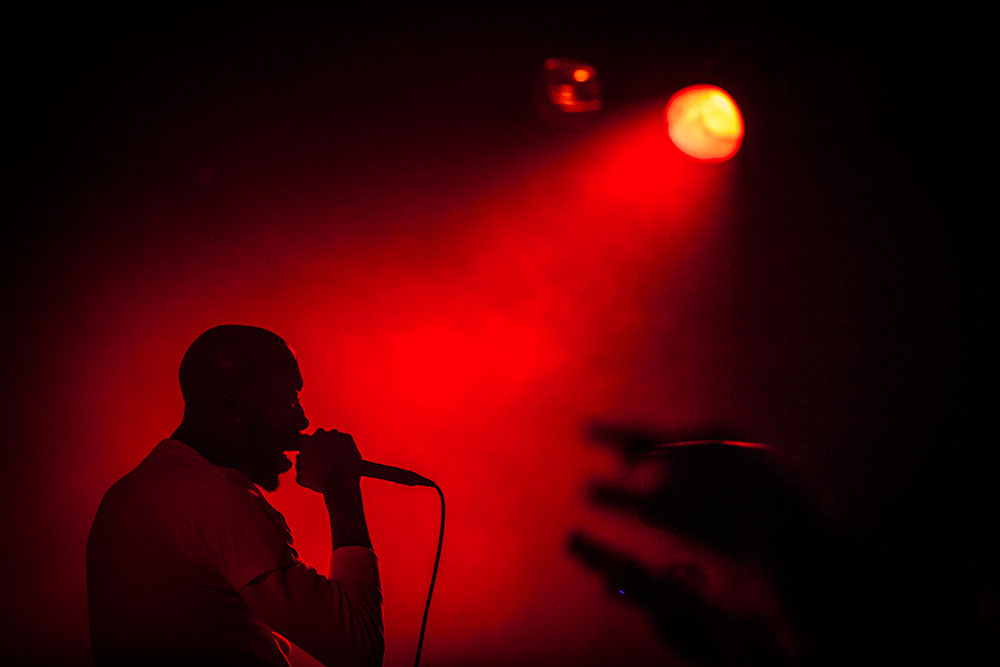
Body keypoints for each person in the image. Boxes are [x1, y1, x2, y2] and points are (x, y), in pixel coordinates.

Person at [87, 325, 384, 667]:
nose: (302, 420)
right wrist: (342, 491)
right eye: (288, 401)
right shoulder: (217, 498)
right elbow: (358, 649)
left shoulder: (125, 495)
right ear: (231, 405)